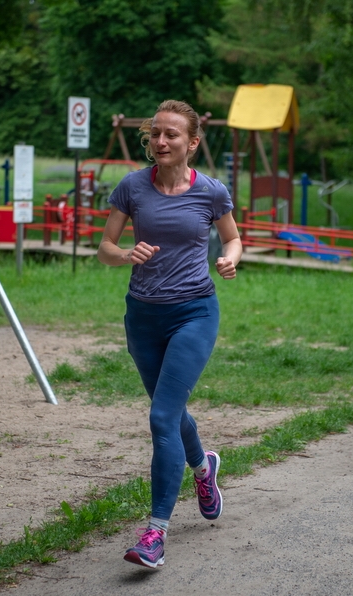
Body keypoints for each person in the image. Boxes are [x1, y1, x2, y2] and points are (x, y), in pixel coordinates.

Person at [97, 99, 243, 568]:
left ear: (192, 143)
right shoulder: (133, 187)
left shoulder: (212, 192)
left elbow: (233, 236)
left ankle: (155, 534)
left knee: (161, 417)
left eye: (171, 135)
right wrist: (124, 256)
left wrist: (230, 258)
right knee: (171, 409)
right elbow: (104, 247)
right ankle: (204, 468)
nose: (160, 141)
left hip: (194, 314)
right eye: (155, 133)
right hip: (142, 316)